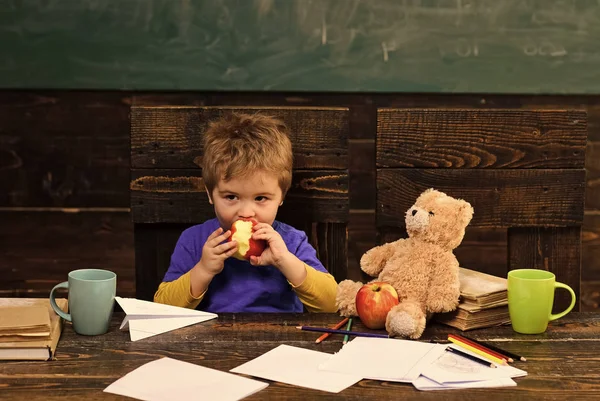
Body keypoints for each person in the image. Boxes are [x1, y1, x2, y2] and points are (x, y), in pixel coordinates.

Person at [154, 113, 338, 313]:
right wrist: (203, 270)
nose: (246, 213)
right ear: (210, 194)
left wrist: (285, 261)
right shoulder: (195, 241)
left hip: (283, 338)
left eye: (260, 198)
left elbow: (332, 304)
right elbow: (161, 308)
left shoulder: (291, 242)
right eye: (231, 197)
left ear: (281, 197)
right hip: (209, 340)